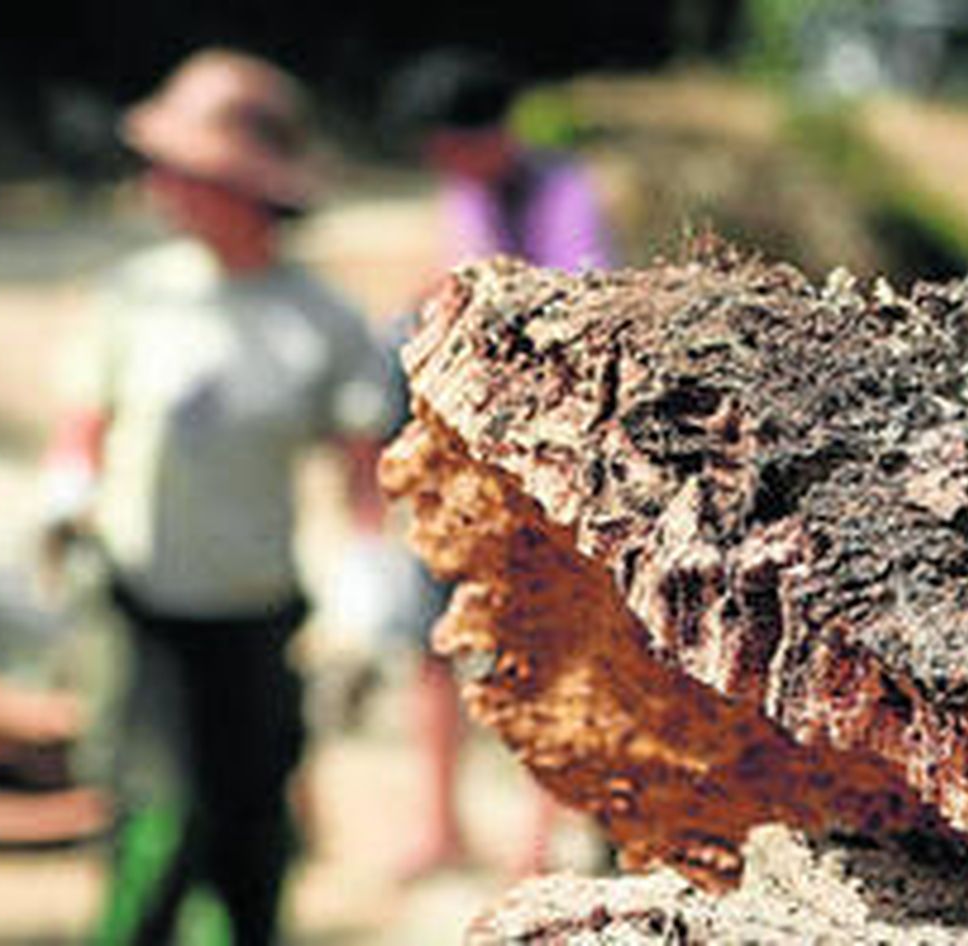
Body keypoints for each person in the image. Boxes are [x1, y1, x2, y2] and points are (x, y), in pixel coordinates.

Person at [42, 49, 393, 946]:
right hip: (143, 602)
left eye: (187, 170)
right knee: (161, 817)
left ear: (248, 186)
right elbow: (85, 426)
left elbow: (364, 482)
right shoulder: (137, 297)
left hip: (254, 609)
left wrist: (366, 599)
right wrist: (64, 498)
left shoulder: (319, 320)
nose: (163, 184)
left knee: (249, 825)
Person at [385, 48, 617, 881]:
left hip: (544, 455)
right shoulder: (471, 193)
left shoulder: (564, 194)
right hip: (463, 452)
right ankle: (439, 822)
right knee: (431, 639)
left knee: (552, 649)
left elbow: (574, 301)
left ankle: (535, 842)